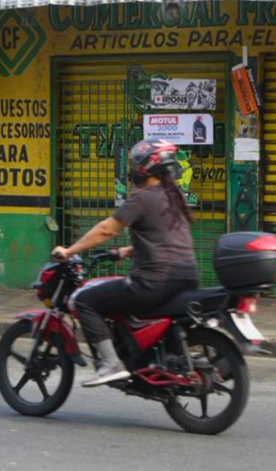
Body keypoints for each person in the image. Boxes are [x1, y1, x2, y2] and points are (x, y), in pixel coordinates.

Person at [53, 138, 199, 387]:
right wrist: (129, 251)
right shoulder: (174, 196)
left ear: (143, 167)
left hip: (153, 282)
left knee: (85, 300)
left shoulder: (142, 197)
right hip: (186, 277)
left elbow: (107, 230)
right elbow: (164, 238)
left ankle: (111, 364)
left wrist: (69, 251)